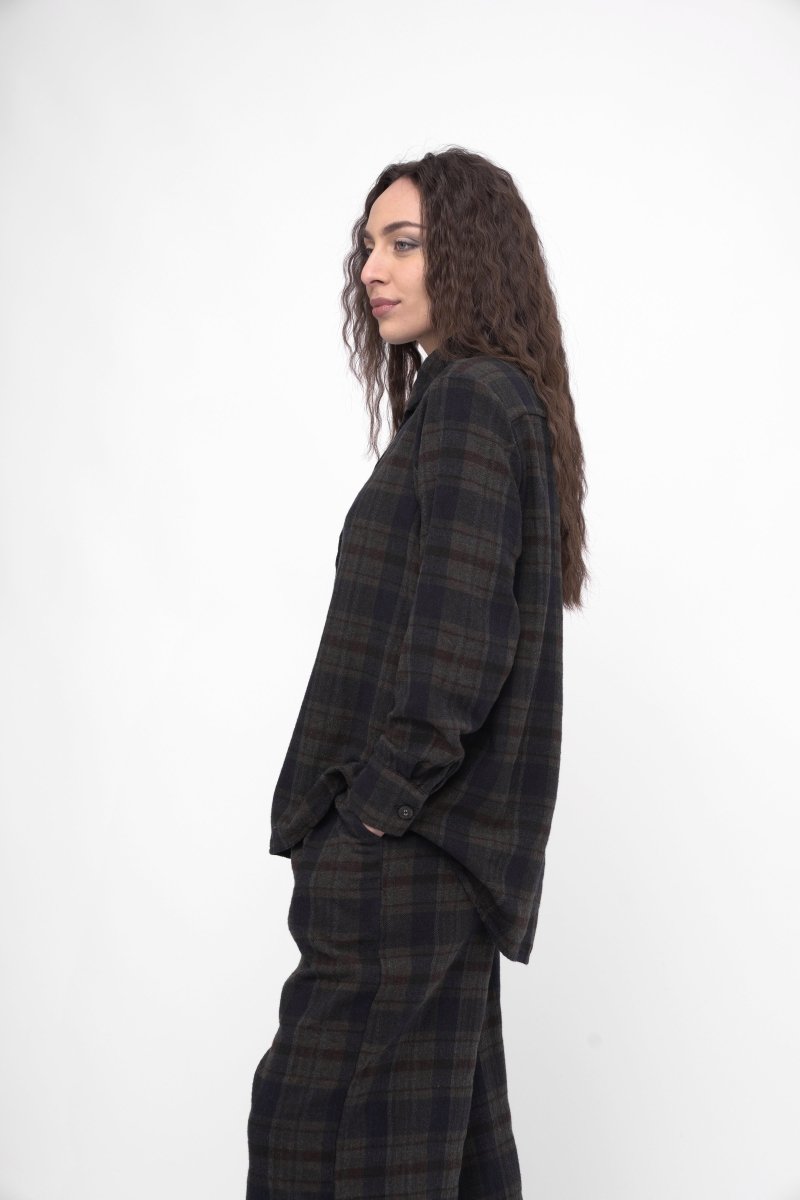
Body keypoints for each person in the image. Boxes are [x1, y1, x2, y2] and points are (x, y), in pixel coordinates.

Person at [246, 145, 589, 1199]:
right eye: (367, 247)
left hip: (406, 857)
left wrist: (368, 820)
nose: (373, 270)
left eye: (403, 244)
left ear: (471, 255)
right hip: (435, 862)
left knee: (318, 1147)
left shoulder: (475, 403)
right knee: (440, 1155)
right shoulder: (476, 401)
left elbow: (460, 649)